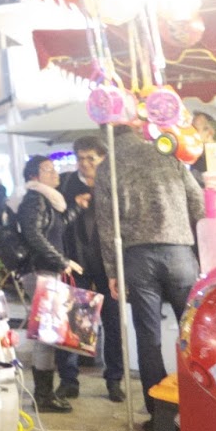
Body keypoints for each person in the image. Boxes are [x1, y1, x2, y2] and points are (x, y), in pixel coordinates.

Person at [94, 123, 205, 429]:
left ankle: (160, 417)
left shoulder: (108, 168)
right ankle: (201, 406)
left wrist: (112, 272)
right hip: (180, 252)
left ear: (107, 138)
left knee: (148, 337)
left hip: (137, 258)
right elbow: (199, 204)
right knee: (192, 333)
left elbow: (107, 226)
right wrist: (204, 250)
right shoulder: (167, 151)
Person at [16, 154, 84, 414]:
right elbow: (33, 234)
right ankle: (43, 396)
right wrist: (62, 260)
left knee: (49, 335)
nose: (55, 173)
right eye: (48, 169)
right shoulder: (34, 198)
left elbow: (52, 229)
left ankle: (44, 393)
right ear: (34, 176)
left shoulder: (47, 200)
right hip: (40, 271)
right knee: (45, 336)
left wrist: (77, 207)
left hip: (48, 270)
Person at [60, 136, 124, 402]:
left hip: (109, 265)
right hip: (76, 264)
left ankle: (114, 380)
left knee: (113, 324)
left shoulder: (113, 185)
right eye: (81, 158)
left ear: (103, 159)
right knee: (74, 324)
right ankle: (68, 380)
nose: (85, 164)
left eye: (91, 159)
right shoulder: (66, 184)